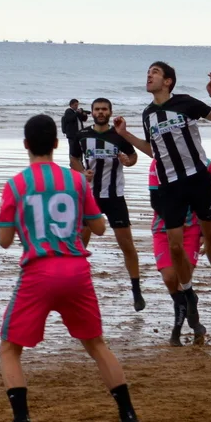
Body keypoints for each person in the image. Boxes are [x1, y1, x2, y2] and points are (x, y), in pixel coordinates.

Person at [0, 115, 139, 422]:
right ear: (57, 144)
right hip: (75, 270)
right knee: (96, 344)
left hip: (38, 272)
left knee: (9, 348)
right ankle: (127, 413)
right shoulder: (76, 181)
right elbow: (99, 228)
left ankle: (21, 418)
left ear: (26, 144)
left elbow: (4, 240)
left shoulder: (16, 184)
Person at [112, 61, 211, 331]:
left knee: (210, 232)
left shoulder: (185, 102)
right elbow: (154, 151)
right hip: (170, 185)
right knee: (175, 246)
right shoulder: (147, 114)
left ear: (168, 81)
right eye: (147, 72)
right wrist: (125, 134)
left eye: (154, 72)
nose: (149, 75)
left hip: (197, 177)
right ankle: (188, 293)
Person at [70, 97, 144, 311]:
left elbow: (133, 156)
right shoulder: (82, 135)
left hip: (114, 197)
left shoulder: (118, 135)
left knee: (127, 245)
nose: (100, 112)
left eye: (104, 109)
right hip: (90, 197)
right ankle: (73, 284)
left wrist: (128, 162)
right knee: (80, 244)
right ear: (91, 112)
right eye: (97, 109)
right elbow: (74, 159)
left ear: (110, 112)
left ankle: (136, 290)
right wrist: (82, 172)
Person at [149, 158, 211, 346]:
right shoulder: (156, 164)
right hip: (163, 229)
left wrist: (205, 233)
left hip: (191, 229)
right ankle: (193, 311)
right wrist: (173, 222)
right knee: (170, 278)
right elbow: (155, 200)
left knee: (182, 283)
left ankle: (176, 333)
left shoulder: (205, 164)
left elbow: (208, 201)